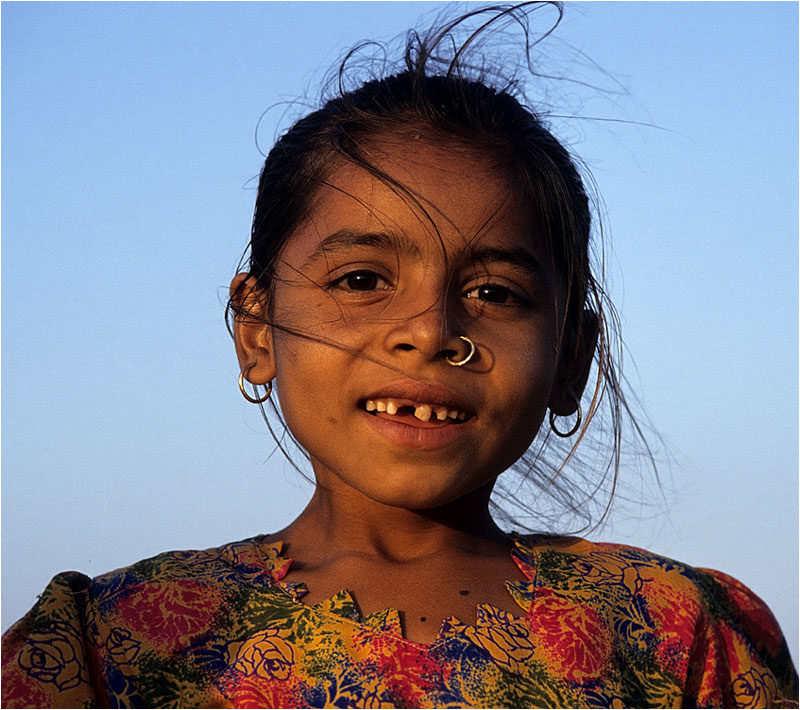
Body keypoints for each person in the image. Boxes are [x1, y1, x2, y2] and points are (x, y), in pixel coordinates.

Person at [2, 3, 797, 708]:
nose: (429, 331)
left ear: (571, 357)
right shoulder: (104, 649)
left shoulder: (679, 635)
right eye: (361, 279)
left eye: (495, 294)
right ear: (255, 329)